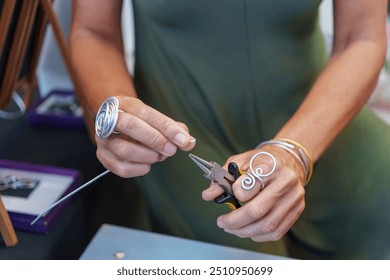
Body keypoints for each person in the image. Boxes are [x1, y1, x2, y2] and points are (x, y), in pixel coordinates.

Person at [69, 0, 390, 259]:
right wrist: (116, 114)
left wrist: (294, 150)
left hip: (323, 122)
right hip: (179, 145)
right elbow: (94, 32)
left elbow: (361, 38)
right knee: (239, 258)